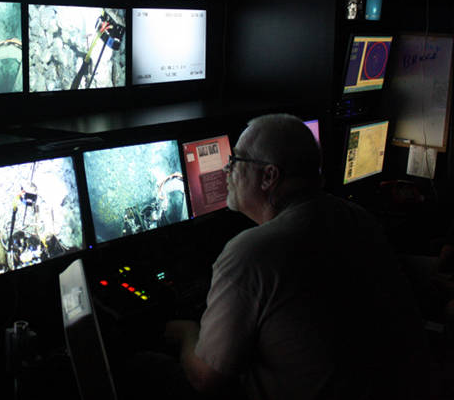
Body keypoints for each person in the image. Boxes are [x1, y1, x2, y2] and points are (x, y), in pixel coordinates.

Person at [166, 113, 429, 399]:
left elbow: (206, 378)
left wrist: (186, 332)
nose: (227, 170)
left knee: (145, 367)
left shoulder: (252, 252)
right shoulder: (357, 217)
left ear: (268, 176)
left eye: (236, 161)